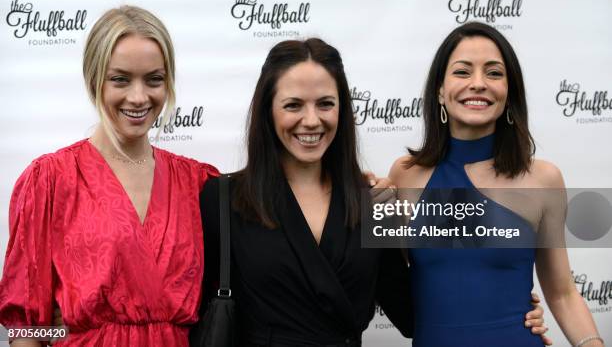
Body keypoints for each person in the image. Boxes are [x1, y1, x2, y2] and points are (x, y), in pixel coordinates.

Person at [194, 38, 549, 347]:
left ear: (343, 110)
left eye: (325, 104)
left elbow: (412, 312)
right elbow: (193, 313)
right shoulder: (221, 199)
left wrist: (510, 302)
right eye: (293, 105)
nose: (312, 120)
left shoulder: (372, 202)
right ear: (267, 111)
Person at [0, 6, 218, 346]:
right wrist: (67, 331)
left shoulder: (197, 183)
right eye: (120, 79)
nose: (138, 96)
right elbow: (26, 329)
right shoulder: (51, 180)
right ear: (94, 79)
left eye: (154, 79)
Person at [388, 22, 603, 347]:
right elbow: (384, 281)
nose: (478, 84)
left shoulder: (543, 179)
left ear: (509, 92)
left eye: (494, 73)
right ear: (440, 91)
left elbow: (562, 294)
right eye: (462, 72)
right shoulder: (404, 175)